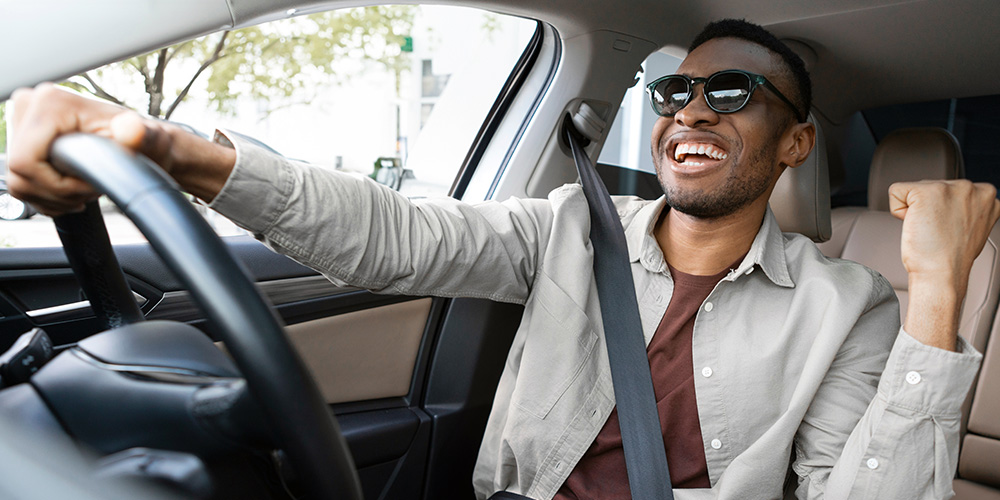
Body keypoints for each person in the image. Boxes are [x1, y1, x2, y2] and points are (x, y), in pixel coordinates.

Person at [7, 18, 999, 500]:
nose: (691, 110)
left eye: (734, 94)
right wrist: (174, 149)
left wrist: (939, 286)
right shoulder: (574, 225)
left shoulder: (851, 302)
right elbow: (396, 233)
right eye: (672, 95)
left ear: (794, 144)